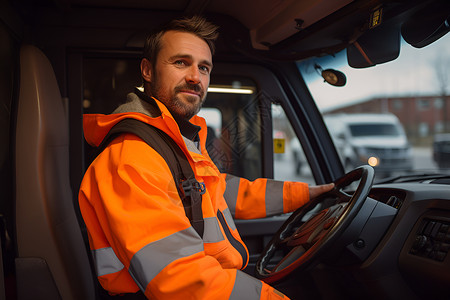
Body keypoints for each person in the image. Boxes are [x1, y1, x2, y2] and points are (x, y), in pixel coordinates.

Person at [79, 15, 334, 300]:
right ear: (147, 70)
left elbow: (219, 190)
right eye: (180, 62)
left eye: (204, 67)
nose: (195, 77)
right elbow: (184, 281)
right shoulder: (131, 157)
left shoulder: (174, 141)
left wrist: (306, 194)